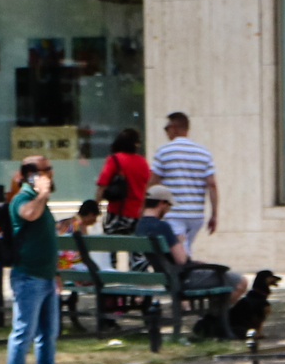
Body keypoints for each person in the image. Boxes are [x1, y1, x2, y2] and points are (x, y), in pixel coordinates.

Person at [2, 156, 77, 364]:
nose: (51, 174)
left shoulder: (40, 201)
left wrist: (55, 273)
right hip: (28, 276)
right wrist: (42, 194)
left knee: (48, 333)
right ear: (32, 174)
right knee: (23, 331)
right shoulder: (23, 198)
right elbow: (30, 214)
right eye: (47, 170)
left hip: (45, 277)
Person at [132, 190, 250, 319]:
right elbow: (181, 260)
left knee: (215, 273)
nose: (168, 210)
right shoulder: (162, 227)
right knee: (240, 282)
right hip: (183, 279)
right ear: (161, 203)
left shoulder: (139, 226)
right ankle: (214, 320)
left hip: (167, 278)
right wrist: (180, 241)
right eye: (169, 206)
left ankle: (211, 319)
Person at [153, 111, 219, 245]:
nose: (166, 132)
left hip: (173, 214)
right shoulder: (204, 152)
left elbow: (153, 182)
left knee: (179, 256)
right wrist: (214, 215)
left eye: (167, 128)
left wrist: (148, 209)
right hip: (196, 215)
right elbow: (211, 185)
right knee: (184, 251)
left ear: (175, 127)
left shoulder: (163, 151)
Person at [95, 128, 151, 230]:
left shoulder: (114, 159)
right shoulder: (143, 162)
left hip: (117, 215)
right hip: (137, 216)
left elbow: (102, 185)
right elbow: (147, 188)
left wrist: (96, 207)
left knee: (115, 245)